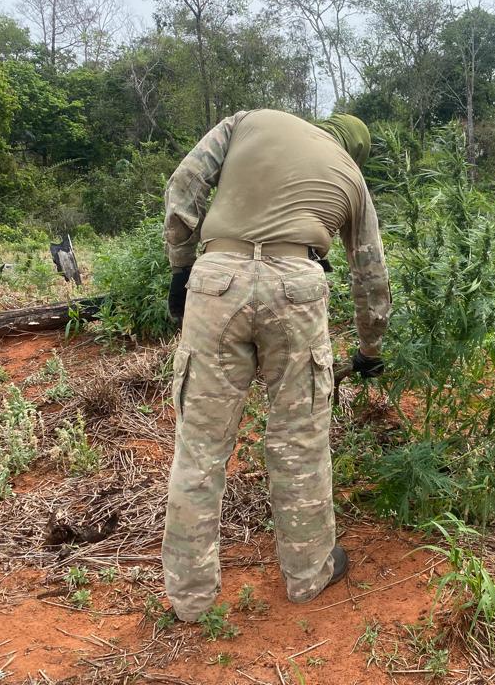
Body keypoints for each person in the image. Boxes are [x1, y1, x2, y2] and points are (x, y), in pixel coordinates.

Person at [160, 109, 390, 622]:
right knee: (300, 438)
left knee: (200, 444)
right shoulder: (351, 177)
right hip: (297, 284)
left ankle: (190, 598)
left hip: (215, 277)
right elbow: (370, 275)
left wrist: (181, 267)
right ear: (354, 151)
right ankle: (308, 575)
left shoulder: (248, 121)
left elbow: (184, 186)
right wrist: (369, 351)